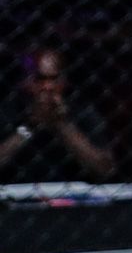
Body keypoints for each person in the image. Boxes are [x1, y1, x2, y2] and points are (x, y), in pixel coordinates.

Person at [0, 48, 116, 183]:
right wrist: (29, 127)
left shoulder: (81, 110)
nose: (48, 86)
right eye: (39, 79)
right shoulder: (8, 111)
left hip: (73, 198)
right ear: (25, 82)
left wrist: (61, 124)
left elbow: (105, 170)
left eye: (54, 79)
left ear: (64, 81)